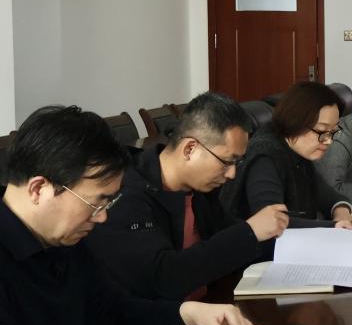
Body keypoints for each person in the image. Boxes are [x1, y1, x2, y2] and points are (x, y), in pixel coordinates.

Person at [0, 106, 260, 325]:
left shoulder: (63, 238)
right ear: (38, 189)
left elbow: (109, 312)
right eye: (96, 202)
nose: (102, 217)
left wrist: (188, 313)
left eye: (109, 203)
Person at [87, 93, 290, 301]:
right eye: (227, 161)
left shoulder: (200, 188)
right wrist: (249, 232)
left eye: (237, 162)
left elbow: (226, 234)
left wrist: (292, 245)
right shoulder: (125, 193)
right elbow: (162, 277)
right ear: (190, 149)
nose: (231, 174)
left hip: (207, 306)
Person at [220, 82, 352, 231]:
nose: (328, 141)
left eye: (333, 132)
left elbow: (328, 195)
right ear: (295, 121)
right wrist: (337, 227)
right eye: (322, 131)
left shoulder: (297, 149)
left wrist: (342, 213)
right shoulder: (264, 158)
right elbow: (272, 222)